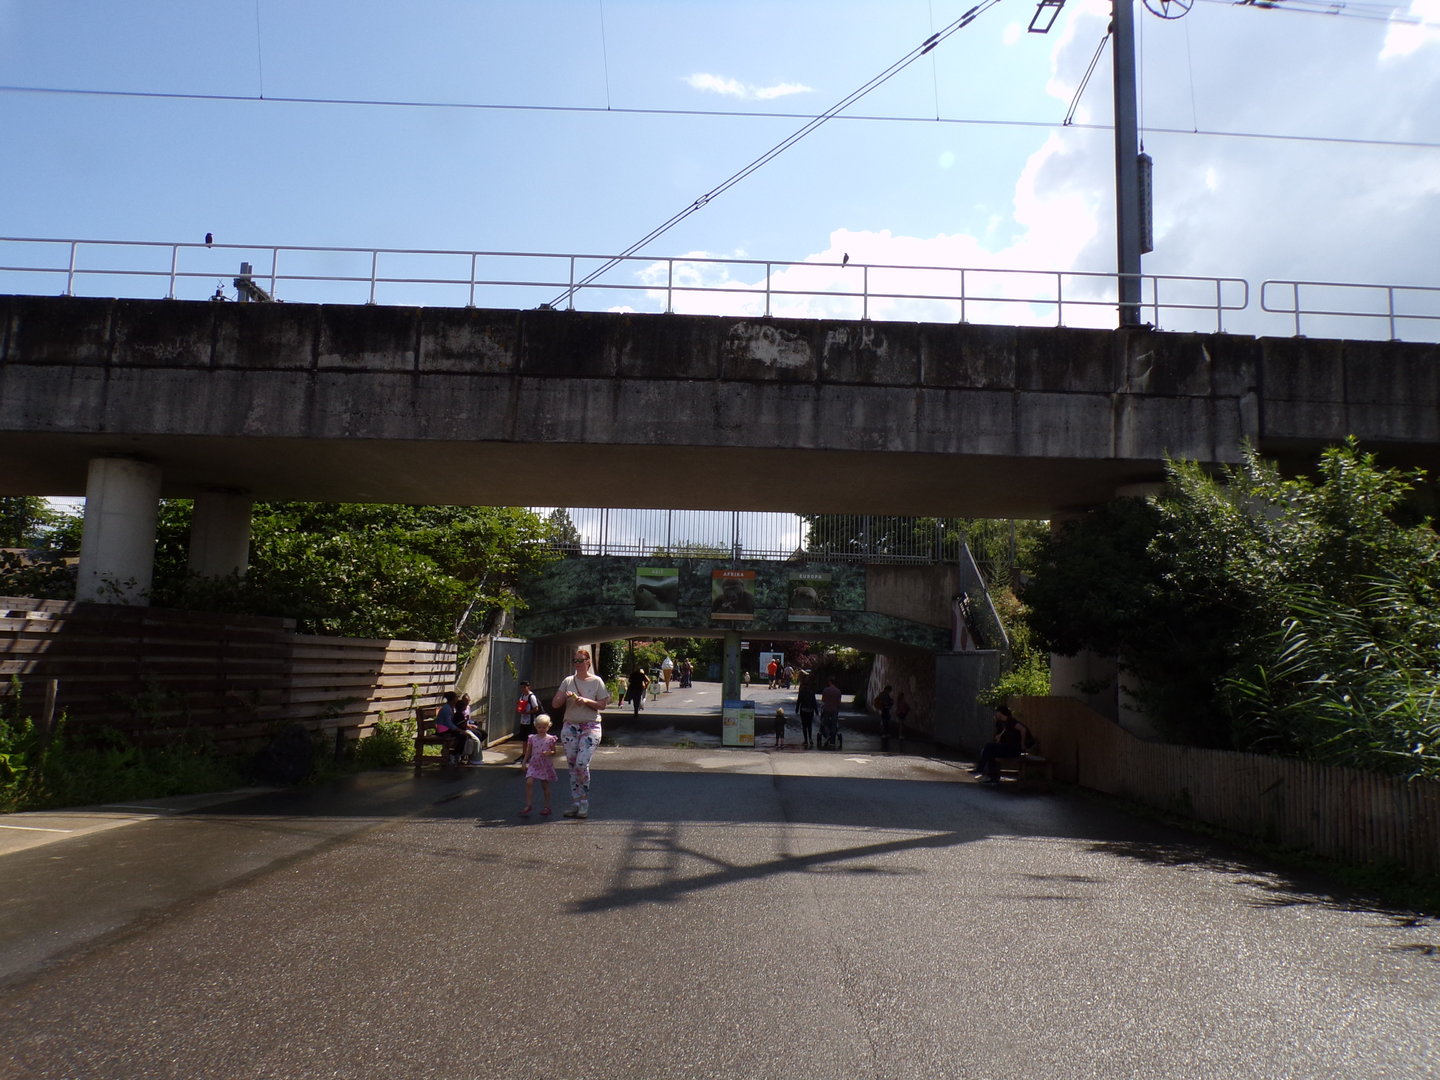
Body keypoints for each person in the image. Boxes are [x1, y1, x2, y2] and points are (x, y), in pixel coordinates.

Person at [552, 648, 609, 819]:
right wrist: (563, 697)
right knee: (572, 766)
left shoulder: (597, 681)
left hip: (590, 726)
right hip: (570, 726)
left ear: (588, 662)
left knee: (581, 764)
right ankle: (575, 802)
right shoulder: (568, 681)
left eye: (580, 660)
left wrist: (584, 700)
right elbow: (555, 704)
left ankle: (584, 802)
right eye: (575, 661)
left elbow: (602, 705)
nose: (577, 664)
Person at [973, 705, 1031, 783]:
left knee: (989, 746)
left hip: (1015, 749)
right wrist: (999, 739)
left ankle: (980, 768)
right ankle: (992, 778)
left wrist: (1022, 744)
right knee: (991, 753)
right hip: (1009, 748)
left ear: (1000, 713)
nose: (996, 714)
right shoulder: (1004, 724)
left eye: (997, 712)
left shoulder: (1011, 721)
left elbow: (1023, 729)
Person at [519, 715, 558, 815]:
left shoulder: (550, 739)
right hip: (534, 763)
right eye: (539, 727)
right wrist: (524, 762)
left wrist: (550, 753)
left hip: (544, 764)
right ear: (536, 726)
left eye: (544, 727)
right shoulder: (532, 738)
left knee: (545, 786)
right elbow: (528, 751)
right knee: (529, 782)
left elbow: (554, 751)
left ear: (548, 727)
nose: (542, 729)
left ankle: (547, 806)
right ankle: (528, 805)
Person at [455, 692, 484, 765]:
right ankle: (475, 759)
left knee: (480, 734)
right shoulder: (459, 715)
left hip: (465, 728)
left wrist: (469, 722)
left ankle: (474, 757)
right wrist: (466, 721)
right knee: (476, 740)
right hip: (463, 730)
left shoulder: (461, 713)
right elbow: (463, 725)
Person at [819, 676, 842, 749]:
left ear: (829, 682)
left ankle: (827, 735)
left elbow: (823, 700)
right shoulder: (838, 691)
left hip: (827, 709)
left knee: (825, 723)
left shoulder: (825, 690)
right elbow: (839, 703)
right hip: (834, 710)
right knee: (834, 724)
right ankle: (832, 740)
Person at [796, 677, 818, 748]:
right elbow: (814, 702)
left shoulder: (801, 692)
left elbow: (798, 701)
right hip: (810, 710)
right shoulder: (812, 692)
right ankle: (810, 739)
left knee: (804, 725)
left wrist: (797, 709)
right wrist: (816, 710)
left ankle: (805, 740)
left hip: (803, 710)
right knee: (809, 725)